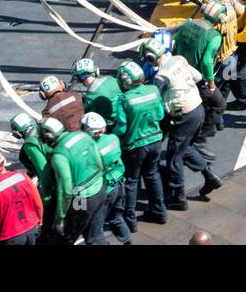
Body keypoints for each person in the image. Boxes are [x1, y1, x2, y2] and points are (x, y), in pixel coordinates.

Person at [143, 38, 220, 209]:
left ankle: (178, 198)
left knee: (174, 157)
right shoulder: (179, 59)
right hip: (198, 109)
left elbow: (155, 98)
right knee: (185, 147)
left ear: (150, 58)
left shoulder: (161, 75)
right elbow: (199, 77)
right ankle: (209, 176)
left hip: (184, 115)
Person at [41, 117, 108, 245]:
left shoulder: (59, 155)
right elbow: (100, 163)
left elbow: (66, 191)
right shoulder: (82, 135)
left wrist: (60, 219)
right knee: (95, 237)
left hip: (81, 199)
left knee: (67, 238)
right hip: (100, 188)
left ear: (48, 137)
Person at [116, 60, 166, 227]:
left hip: (135, 146)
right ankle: (160, 212)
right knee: (152, 175)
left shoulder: (124, 99)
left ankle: (130, 221)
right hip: (156, 140)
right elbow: (160, 115)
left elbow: (122, 128)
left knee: (131, 181)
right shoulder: (153, 90)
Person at [174, 1, 228, 156]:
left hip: (180, 73)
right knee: (219, 104)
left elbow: (175, 46)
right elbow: (207, 61)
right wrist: (211, 84)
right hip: (197, 79)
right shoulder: (214, 36)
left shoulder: (187, 25)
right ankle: (199, 140)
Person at [0, 148, 43, 246]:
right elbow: (38, 204)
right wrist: (39, 222)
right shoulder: (23, 177)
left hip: (10, 238)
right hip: (31, 229)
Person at [82, 112, 130, 245]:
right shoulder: (113, 138)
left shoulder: (90, 149)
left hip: (105, 191)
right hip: (119, 185)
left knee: (96, 230)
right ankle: (127, 241)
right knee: (116, 218)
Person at [73, 59, 125, 133]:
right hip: (125, 117)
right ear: (96, 71)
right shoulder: (111, 79)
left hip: (111, 128)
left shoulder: (89, 98)